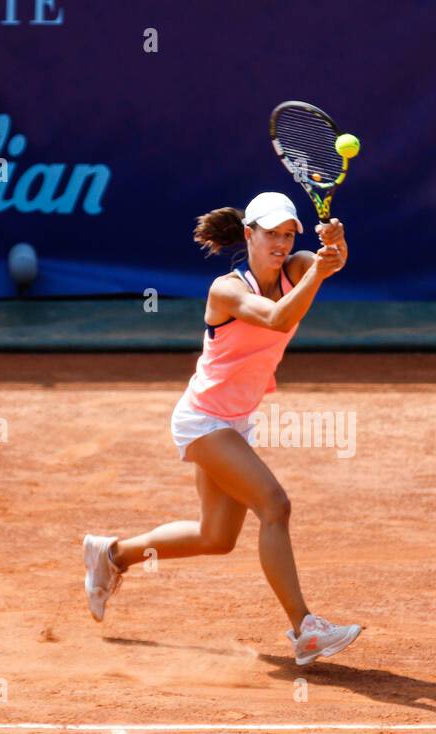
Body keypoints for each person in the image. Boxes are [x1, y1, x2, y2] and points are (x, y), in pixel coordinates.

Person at [83, 191, 361, 666]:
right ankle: (305, 629)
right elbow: (278, 318)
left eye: (288, 234)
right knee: (274, 505)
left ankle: (112, 555)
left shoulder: (297, 267)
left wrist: (335, 246)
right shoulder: (227, 290)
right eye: (271, 233)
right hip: (204, 420)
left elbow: (330, 263)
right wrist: (320, 267)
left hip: (236, 420)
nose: (280, 242)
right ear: (248, 235)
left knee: (216, 537)